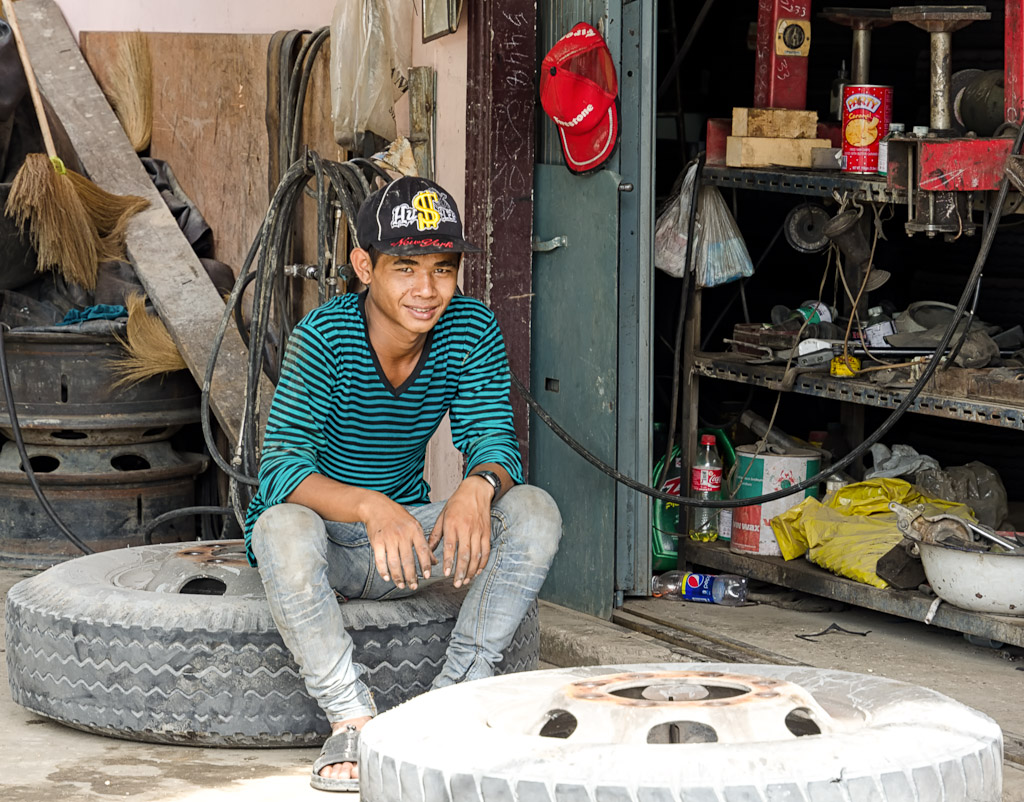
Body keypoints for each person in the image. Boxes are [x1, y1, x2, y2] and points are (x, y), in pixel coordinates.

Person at [245, 175, 562, 793]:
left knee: (533, 510)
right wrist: (372, 507)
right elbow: (280, 471)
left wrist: (477, 488)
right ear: (365, 267)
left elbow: (496, 444)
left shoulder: (469, 328)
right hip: (329, 544)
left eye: (443, 269)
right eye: (405, 267)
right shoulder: (324, 337)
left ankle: (453, 702)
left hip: (409, 545)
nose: (427, 290)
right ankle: (351, 719)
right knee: (280, 527)